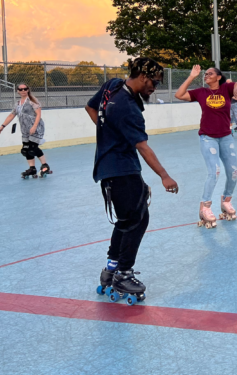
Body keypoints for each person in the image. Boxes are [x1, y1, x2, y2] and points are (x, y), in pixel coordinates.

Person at [84, 57, 179, 303]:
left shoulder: (112, 85)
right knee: (138, 219)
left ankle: (111, 268)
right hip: (121, 168)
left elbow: (91, 107)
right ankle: (123, 273)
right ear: (143, 77)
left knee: (126, 219)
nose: (154, 88)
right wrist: (164, 176)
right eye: (154, 83)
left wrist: (107, 132)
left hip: (109, 166)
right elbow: (143, 147)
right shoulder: (127, 107)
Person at [174, 65, 237, 228]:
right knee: (214, 172)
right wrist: (191, 76)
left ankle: (226, 201)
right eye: (205, 74)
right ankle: (205, 207)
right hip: (208, 138)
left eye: (210, 74)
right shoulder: (201, 92)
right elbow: (179, 95)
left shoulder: (226, 88)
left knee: (233, 172)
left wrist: (236, 87)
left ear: (218, 77)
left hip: (226, 137)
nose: (206, 76)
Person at [0, 83, 52, 178]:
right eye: (21, 89)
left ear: (28, 90)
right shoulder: (18, 103)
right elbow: (12, 115)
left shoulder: (32, 100)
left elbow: (38, 114)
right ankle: (32, 168)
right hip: (25, 130)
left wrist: (34, 126)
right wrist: (3, 126)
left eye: (25, 89)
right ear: (18, 91)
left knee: (33, 148)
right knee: (26, 150)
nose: (23, 91)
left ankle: (45, 165)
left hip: (36, 127)